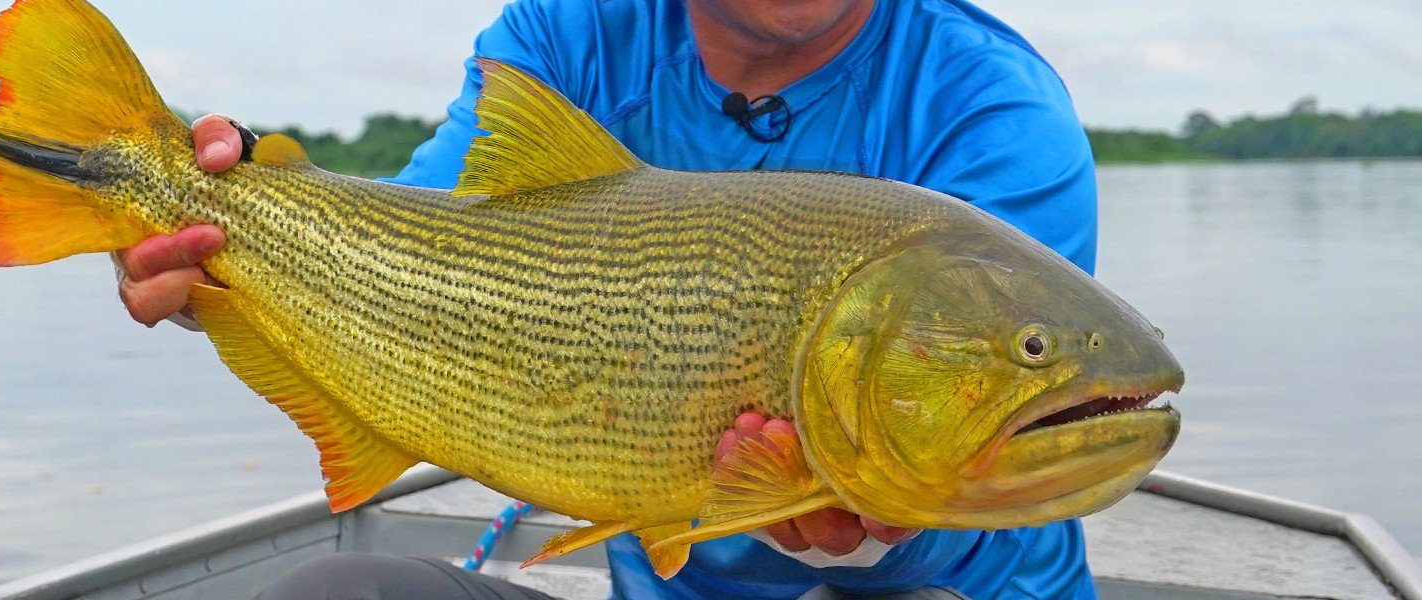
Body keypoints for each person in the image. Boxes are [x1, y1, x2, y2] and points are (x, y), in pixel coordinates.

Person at [117, 0, 1099, 597]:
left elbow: (992, 463)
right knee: (336, 594)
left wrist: (866, 533)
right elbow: (408, 250)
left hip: (958, 593)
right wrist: (209, 238)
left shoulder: (993, 108)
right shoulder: (568, 35)